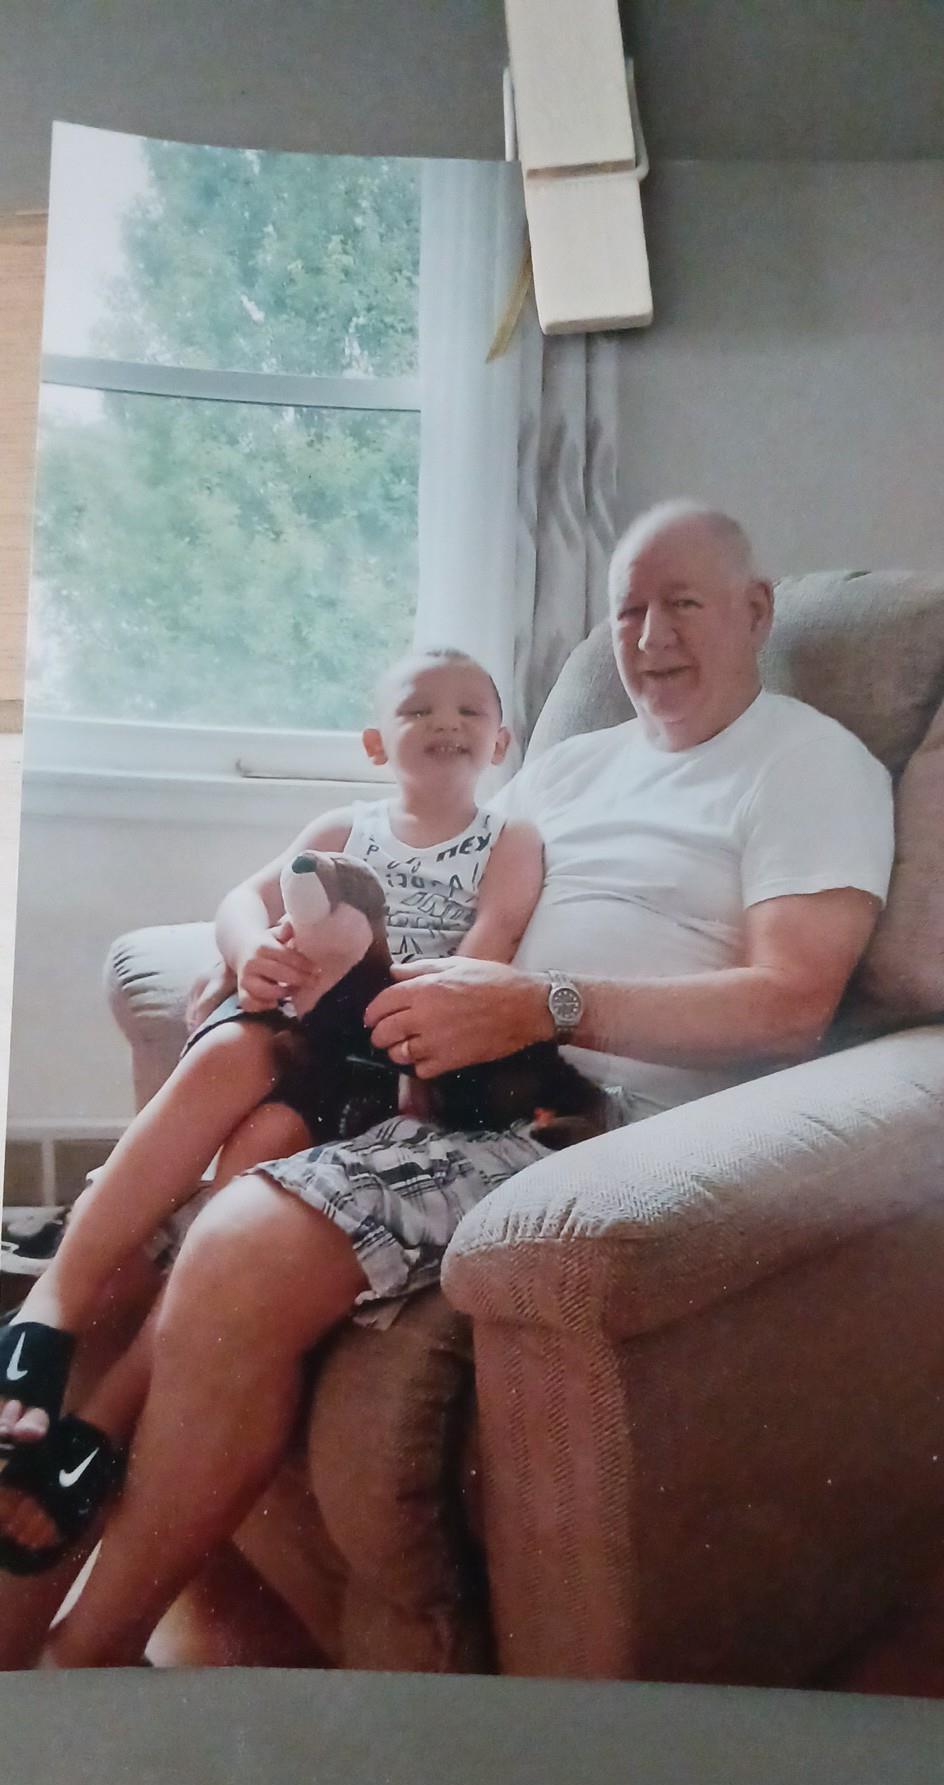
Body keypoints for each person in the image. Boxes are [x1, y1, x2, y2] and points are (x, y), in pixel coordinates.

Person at [0, 498, 895, 1667]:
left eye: (681, 604)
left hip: (584, 1123)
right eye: (626, 610)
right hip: (446, 1074)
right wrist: (276, 954)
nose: (648, 637)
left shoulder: (807, 764)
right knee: (126, 1246)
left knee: (239, 1244)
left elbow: (791, 1000)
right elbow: (421, 877)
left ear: (755, 611)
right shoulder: (569, 768)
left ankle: (88, 1660)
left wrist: (542, 1003)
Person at [0, 647, 543, 1468]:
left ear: (500, 742)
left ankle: (111, 1415)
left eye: (470, 711)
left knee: (267, 1144)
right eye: (418, 710)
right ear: (375, 743)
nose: (446, 723)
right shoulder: (342, 830)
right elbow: (241, 901)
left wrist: (418, 1046)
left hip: (382, 1055)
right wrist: (248, 951)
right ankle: (49, 1310)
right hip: (291, 1025)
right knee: (228, 1054)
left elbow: (485, 955)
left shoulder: (509, 839)